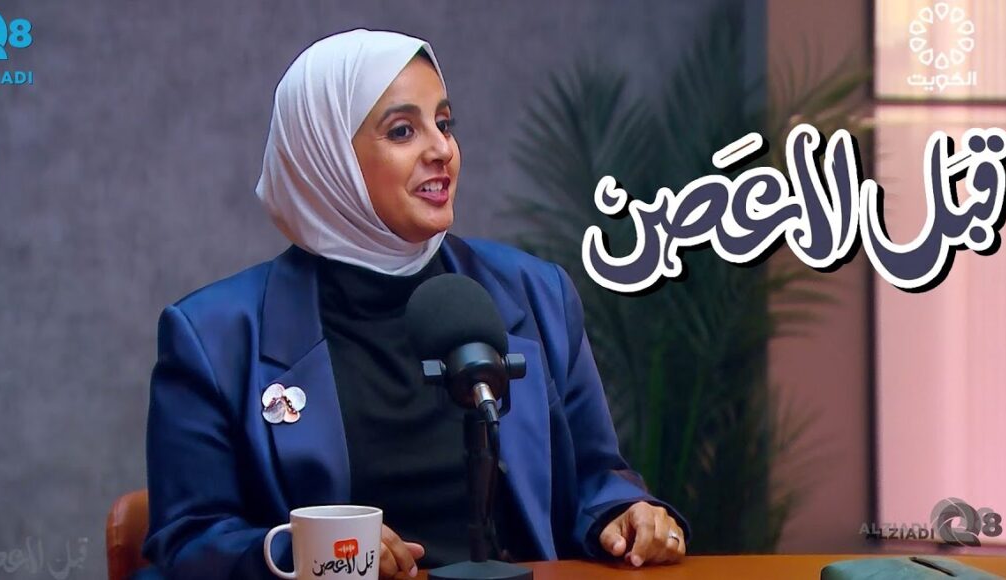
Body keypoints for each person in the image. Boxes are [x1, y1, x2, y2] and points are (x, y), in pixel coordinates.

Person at [142, 29, 689, 580]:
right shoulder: (213, 337)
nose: (442, 149)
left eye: (444, 124)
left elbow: (595, 478)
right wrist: (311, 554)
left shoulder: (536, 294)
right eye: (403, 130)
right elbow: (189, 539)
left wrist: (624, 514)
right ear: (326, 156)